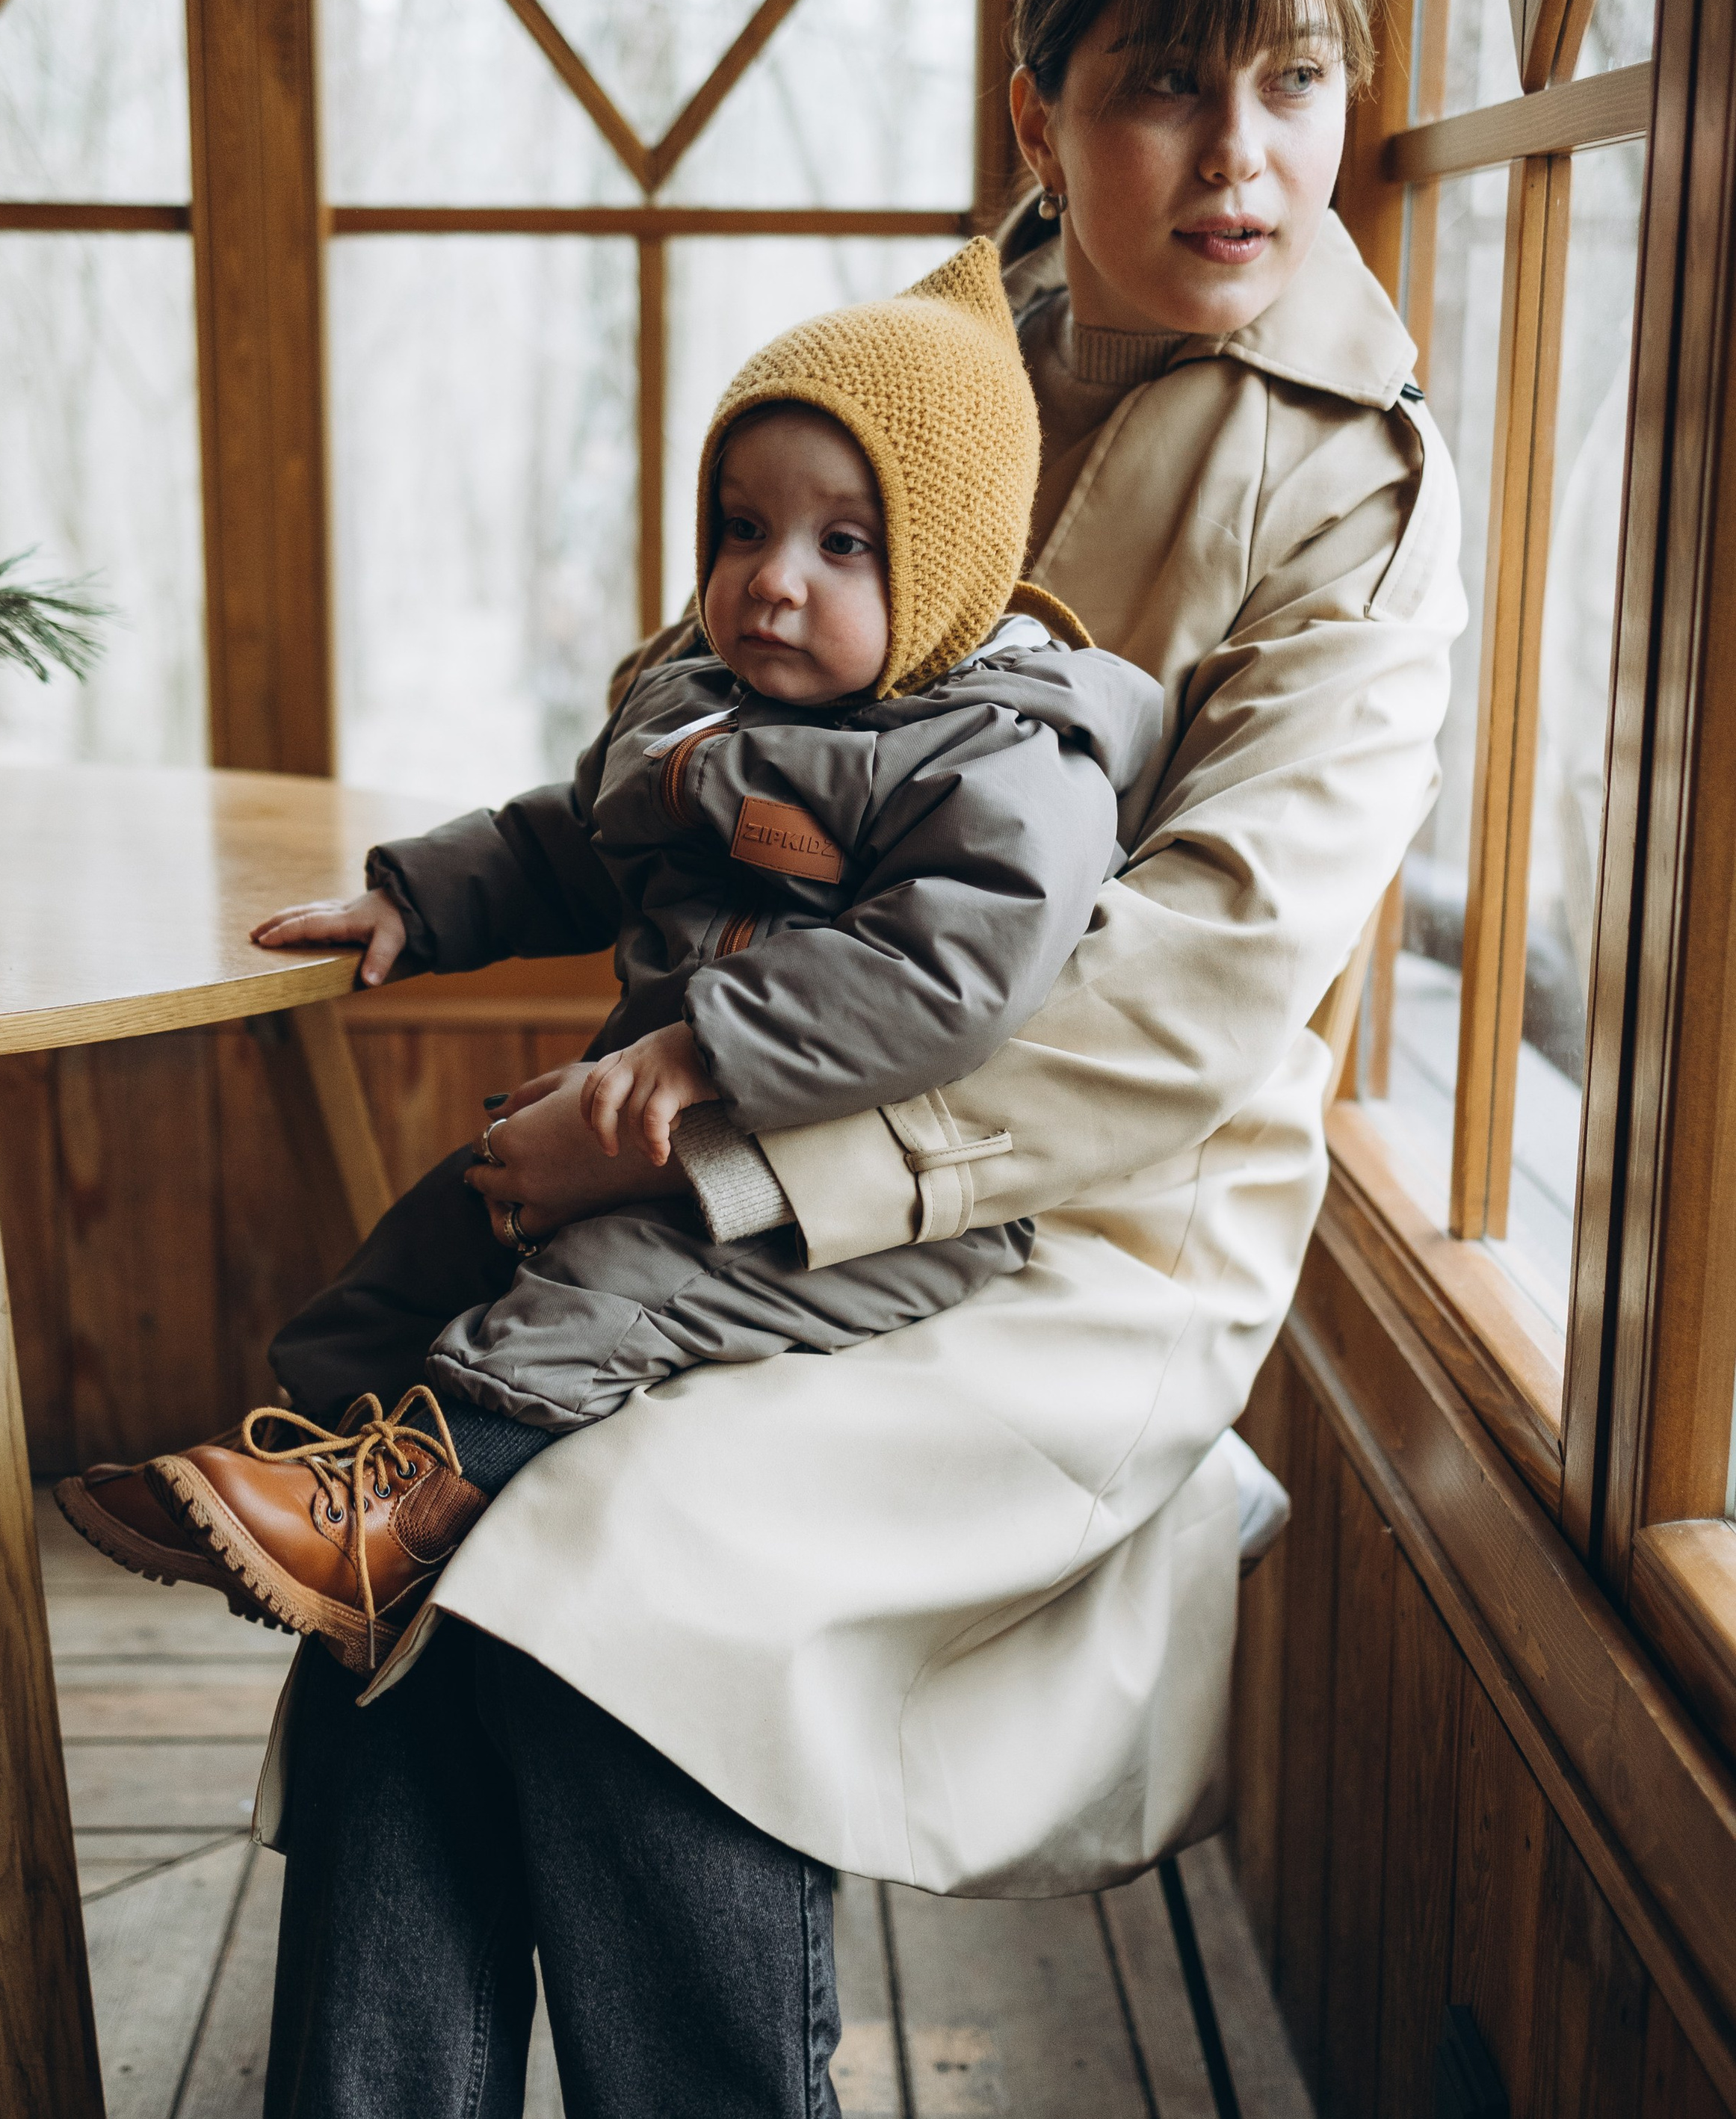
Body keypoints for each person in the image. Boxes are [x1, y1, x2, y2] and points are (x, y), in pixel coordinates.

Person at [79, 0, 1469, 2119]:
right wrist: (578, 865)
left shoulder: (1362, 483)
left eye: (1297, 82)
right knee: (392, 1623)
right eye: (1172, 86)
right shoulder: (949, 331)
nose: (1248, 155)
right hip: (735, 1152)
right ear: (1040, 100)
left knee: (555, 1579)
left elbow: (1179, 1009)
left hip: (1076, 1245)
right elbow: (690, 675)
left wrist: (705, 1106)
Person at [66, 245, 1163, 1674]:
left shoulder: (1007, 759)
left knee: (612, 1282)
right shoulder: (696, 698)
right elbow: (571, 842)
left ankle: (399, 1511)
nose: (771, 583)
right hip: (652, 1125)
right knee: (430, 1239)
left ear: (948, 566)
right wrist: (419, 901)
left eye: (845, 546)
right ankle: (307, 1477)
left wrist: (707, 1044)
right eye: (741, 528)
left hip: (854, 1201)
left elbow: (947, 978)